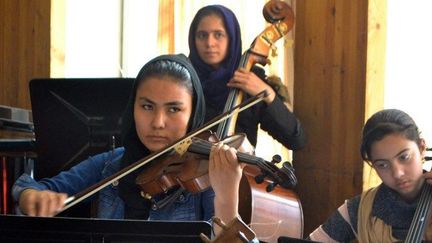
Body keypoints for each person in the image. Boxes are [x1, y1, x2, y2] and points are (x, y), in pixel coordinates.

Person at [12, 53, 214, 221]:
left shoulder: (207, 175)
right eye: (147, 106)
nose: (158, 122)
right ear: (132, 108)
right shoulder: (111, 165)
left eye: (173, 109)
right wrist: (30, 196)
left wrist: (227, 191)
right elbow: (30, 185)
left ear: (193, 113)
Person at [210, 108, 432, 242]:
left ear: (422, 148)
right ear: (372, 165)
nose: (397, 172)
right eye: (383, 164)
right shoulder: (359, 210)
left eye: (404, 157)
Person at [188, 4, 306, 150]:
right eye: (202, 35)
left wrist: (267, 93)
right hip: (185, 170)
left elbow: (295, 140)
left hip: (241, 171)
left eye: (218, 35)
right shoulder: (183, 79)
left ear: (232, 38)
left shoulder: (251, 79)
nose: (209, 43)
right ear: (193, 39)